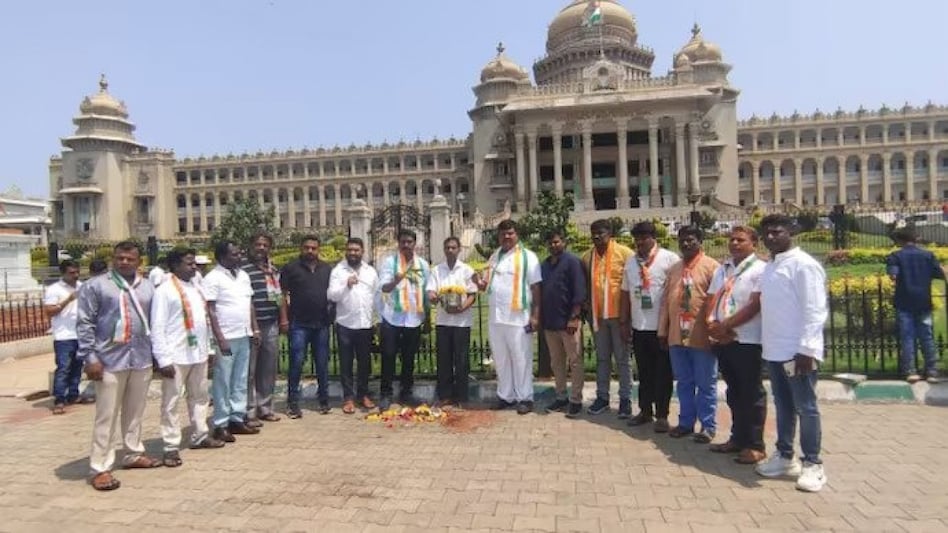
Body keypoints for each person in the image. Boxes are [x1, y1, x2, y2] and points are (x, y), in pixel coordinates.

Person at [77, 241, 160, 491]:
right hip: (108, 359)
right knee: (107, 415)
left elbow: (154, 321)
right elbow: (84, 323)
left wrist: (158, 354)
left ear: (139, 262)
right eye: (119, 258)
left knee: (135, 411)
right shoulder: (96, 285)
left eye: (129, 259)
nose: (124, 262)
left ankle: (133, 453)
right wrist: (90, 357)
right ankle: (100, 467)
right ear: (113, 259)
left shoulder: (147, 287)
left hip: (140, 357)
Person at [755, 214, 829, 493]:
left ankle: (813, 463)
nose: (771, 237)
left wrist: (807, 349)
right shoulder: (771, 266)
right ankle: (785, 456)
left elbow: (815, 309)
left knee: (806, 408)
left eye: (777, 232)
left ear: (791, 232)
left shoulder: (803, 265)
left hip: (798, 352)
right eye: (766, 233)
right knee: (784, 406)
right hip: (775, 350)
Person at [151, 249, 225, 468]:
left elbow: (203, 321)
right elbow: (157, 326)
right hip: (175, 355)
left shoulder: (196, 287)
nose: (194, 267)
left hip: (198, 352)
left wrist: (208, 350)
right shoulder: (164, 290)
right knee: (171, 401)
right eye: (189, 263)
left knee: (200, 396)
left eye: (194, 263)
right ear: (175, 266)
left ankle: (200, 435)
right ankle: (170, 445)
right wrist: (163, 359)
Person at [705, 227, 768, 465]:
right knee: (734, 392)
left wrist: (726, 326)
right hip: (724, 340)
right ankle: (737, 438)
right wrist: (712, 324)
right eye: (731, 239)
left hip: (747, 340)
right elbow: (712, 299)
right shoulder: (723, 269)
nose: (734, 243)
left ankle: (755, 444)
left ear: (754, 243)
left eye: (740, 240)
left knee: (751, 393)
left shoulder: (760, 269)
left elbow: (754, 305)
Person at [657, 225, 720, 443]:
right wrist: (663, 330)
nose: (685, 244)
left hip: (701, 335)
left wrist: (715, 332)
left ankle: (708, 426)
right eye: (682, 240)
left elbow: (719, 302)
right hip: (677, 335)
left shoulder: (712, 267)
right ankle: (685, 423)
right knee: (684, 382)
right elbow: (665, 302)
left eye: (690, 240)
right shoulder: (674, 269)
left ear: (700, 241)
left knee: (705, 383)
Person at [476, 219, 542, 415]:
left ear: (517, 234)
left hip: (519, 317)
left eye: (510, 233)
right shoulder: (494, 257)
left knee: (521, 358)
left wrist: (535, 316)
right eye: (503, 234)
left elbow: (536, 287)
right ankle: (506, 396)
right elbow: (486, 284)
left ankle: (525, 397)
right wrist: (479, 283)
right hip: (496, 317)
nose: (506, 237)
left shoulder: (528, 257)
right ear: (498, 236)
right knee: (501, 359)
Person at [620, 221, 679, 432]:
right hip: (639, 326)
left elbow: (676, 292)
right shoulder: (631, 262)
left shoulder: (669, 259)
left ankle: (662, 415)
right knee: (644, 372)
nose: (640, 242)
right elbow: (625, 293)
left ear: (654, 238)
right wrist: (624, 322)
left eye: (644, 238)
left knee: (663, 373)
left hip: (661, 328)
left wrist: (670, 325)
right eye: (637, 239)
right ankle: (645, 411)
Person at [203, 241, 260, 442]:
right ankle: (221, 423)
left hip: (243, 333)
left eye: (239, 253)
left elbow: (249, 303)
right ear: (222, 257)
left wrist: (254, 328)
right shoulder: (213, 278)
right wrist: (219, 338)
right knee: (223, 381)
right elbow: (210, 310)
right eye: (234, 254)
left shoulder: (243, 275)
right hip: (225, 337)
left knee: (240, 379)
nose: (239, 257)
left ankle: (237, 417)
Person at [582, 219, 634, 417]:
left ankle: (625, 400)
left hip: (619, 317)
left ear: (610, 234)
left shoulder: (625, 254)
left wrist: (627, 318)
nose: (596, 236)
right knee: (602, 359)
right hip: (598, 318)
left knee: (623, 360)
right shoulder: (587, 257)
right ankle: (602, 397)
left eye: (601, 232)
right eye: (593, 233)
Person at [280, 234, 334, 417]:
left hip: (321, 324)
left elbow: (333, 294)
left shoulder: (326, 269)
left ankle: (324, 400)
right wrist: (284, 319)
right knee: (296, 362)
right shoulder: (290, 268)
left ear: (318, 249)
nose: (310, 251)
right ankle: (293, 402)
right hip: (299, 323)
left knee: (322, 363)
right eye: (307, 248)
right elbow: (283, 295)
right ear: (301, 248)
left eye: (313, 248)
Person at [378, 229, 431, 408]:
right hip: (392, 317)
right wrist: (395, 281)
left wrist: (427, 319)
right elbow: (384, 288)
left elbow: (426, 291)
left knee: (409, 358)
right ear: (398, 244)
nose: (406, 245)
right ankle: (386, 394)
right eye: (403, 242)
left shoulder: (422, 265)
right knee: (388, 356)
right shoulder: (389, 263)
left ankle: (406, 392)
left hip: (414, 318)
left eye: (409, 242)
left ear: (415, 244)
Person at [886, 227, 945, 383]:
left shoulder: (895, 256)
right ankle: (931, 370)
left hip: (904, 301)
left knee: (907, 337)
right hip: (924, 301)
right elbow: (940, 274)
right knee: (927, 336)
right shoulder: (928, 255)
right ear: (916, 239)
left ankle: (910, 371)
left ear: (899, 240)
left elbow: (893, 275)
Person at [327, 238, 379, 413]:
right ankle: (348, 397)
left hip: (365, 324)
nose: (353, 253)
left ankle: (363, 395)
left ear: (362, 251)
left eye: (356, 250)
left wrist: (377, 320)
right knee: (346, 363)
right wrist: (346, 284)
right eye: (350, 250)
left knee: (365, 363)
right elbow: (331, 295)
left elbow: (377, 296)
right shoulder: (338, 271)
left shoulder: (370, 271)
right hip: (345, 324)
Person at [426, 237, 478, 408]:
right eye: (447, 247)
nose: (450, 250)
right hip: (443, 321)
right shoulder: (436, 270)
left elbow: (472, 295)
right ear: (444, 249)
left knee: (461, 360)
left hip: (462, 322)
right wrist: (433, 297)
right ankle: (445, 396)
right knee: (444, 360)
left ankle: (462, 397)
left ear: (459, 249)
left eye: (453, 247)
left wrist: (461, 308)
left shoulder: (467, 270)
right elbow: (430, 291)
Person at [540, 229, 586, 418]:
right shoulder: (545, 265)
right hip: (550, 322)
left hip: (569, 322)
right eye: (550, 243)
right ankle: (561, 396)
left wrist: (574, 317)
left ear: (564, 242)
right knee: (556, 362)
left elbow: (579, 290)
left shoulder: (572, 262)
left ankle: (576, 399)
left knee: (574, 361)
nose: (553, 245)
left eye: (556, 242)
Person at [241, 231, 283, 424]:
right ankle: (249, 411)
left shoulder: (272, 269)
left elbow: (279, 295)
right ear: (251, 246)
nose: (261, 248)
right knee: (249, 370)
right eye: (258, 244)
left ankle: (265, 407)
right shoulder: (243, 269)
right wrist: (253, 326)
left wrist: (283, 319)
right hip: (250, 326)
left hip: (270, 323)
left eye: (265, 245)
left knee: (268, 368)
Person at [44, 259, 85, 414]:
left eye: (77, 272)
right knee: (64, 368)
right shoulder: (54, 289)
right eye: (71, 273)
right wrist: (68, 300)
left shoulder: (82, 286)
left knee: (77, 366)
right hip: (63, 335)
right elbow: (49, 312)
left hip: (80, 333)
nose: (75, 275)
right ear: (63, 273)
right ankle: (59, 399)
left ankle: (73, 395)